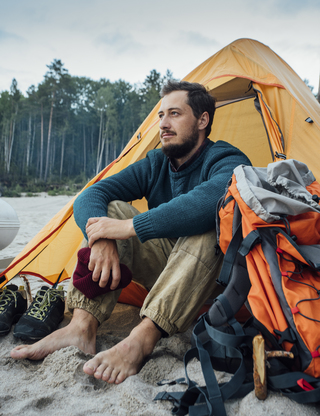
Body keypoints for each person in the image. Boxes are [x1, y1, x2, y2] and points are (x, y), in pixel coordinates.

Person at [10, 80, 251, 384]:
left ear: (202, 120)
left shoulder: (227, 159)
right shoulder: (156, 163)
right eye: (161, 115)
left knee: (211, 224)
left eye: (174, 114)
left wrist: (129, 227)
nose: (163, 123)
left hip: (213, 282)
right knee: (107, 212)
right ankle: (82, 327)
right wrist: (103, 239)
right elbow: (91, 195)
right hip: (168, 271)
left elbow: (209, 200)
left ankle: (142, 338)